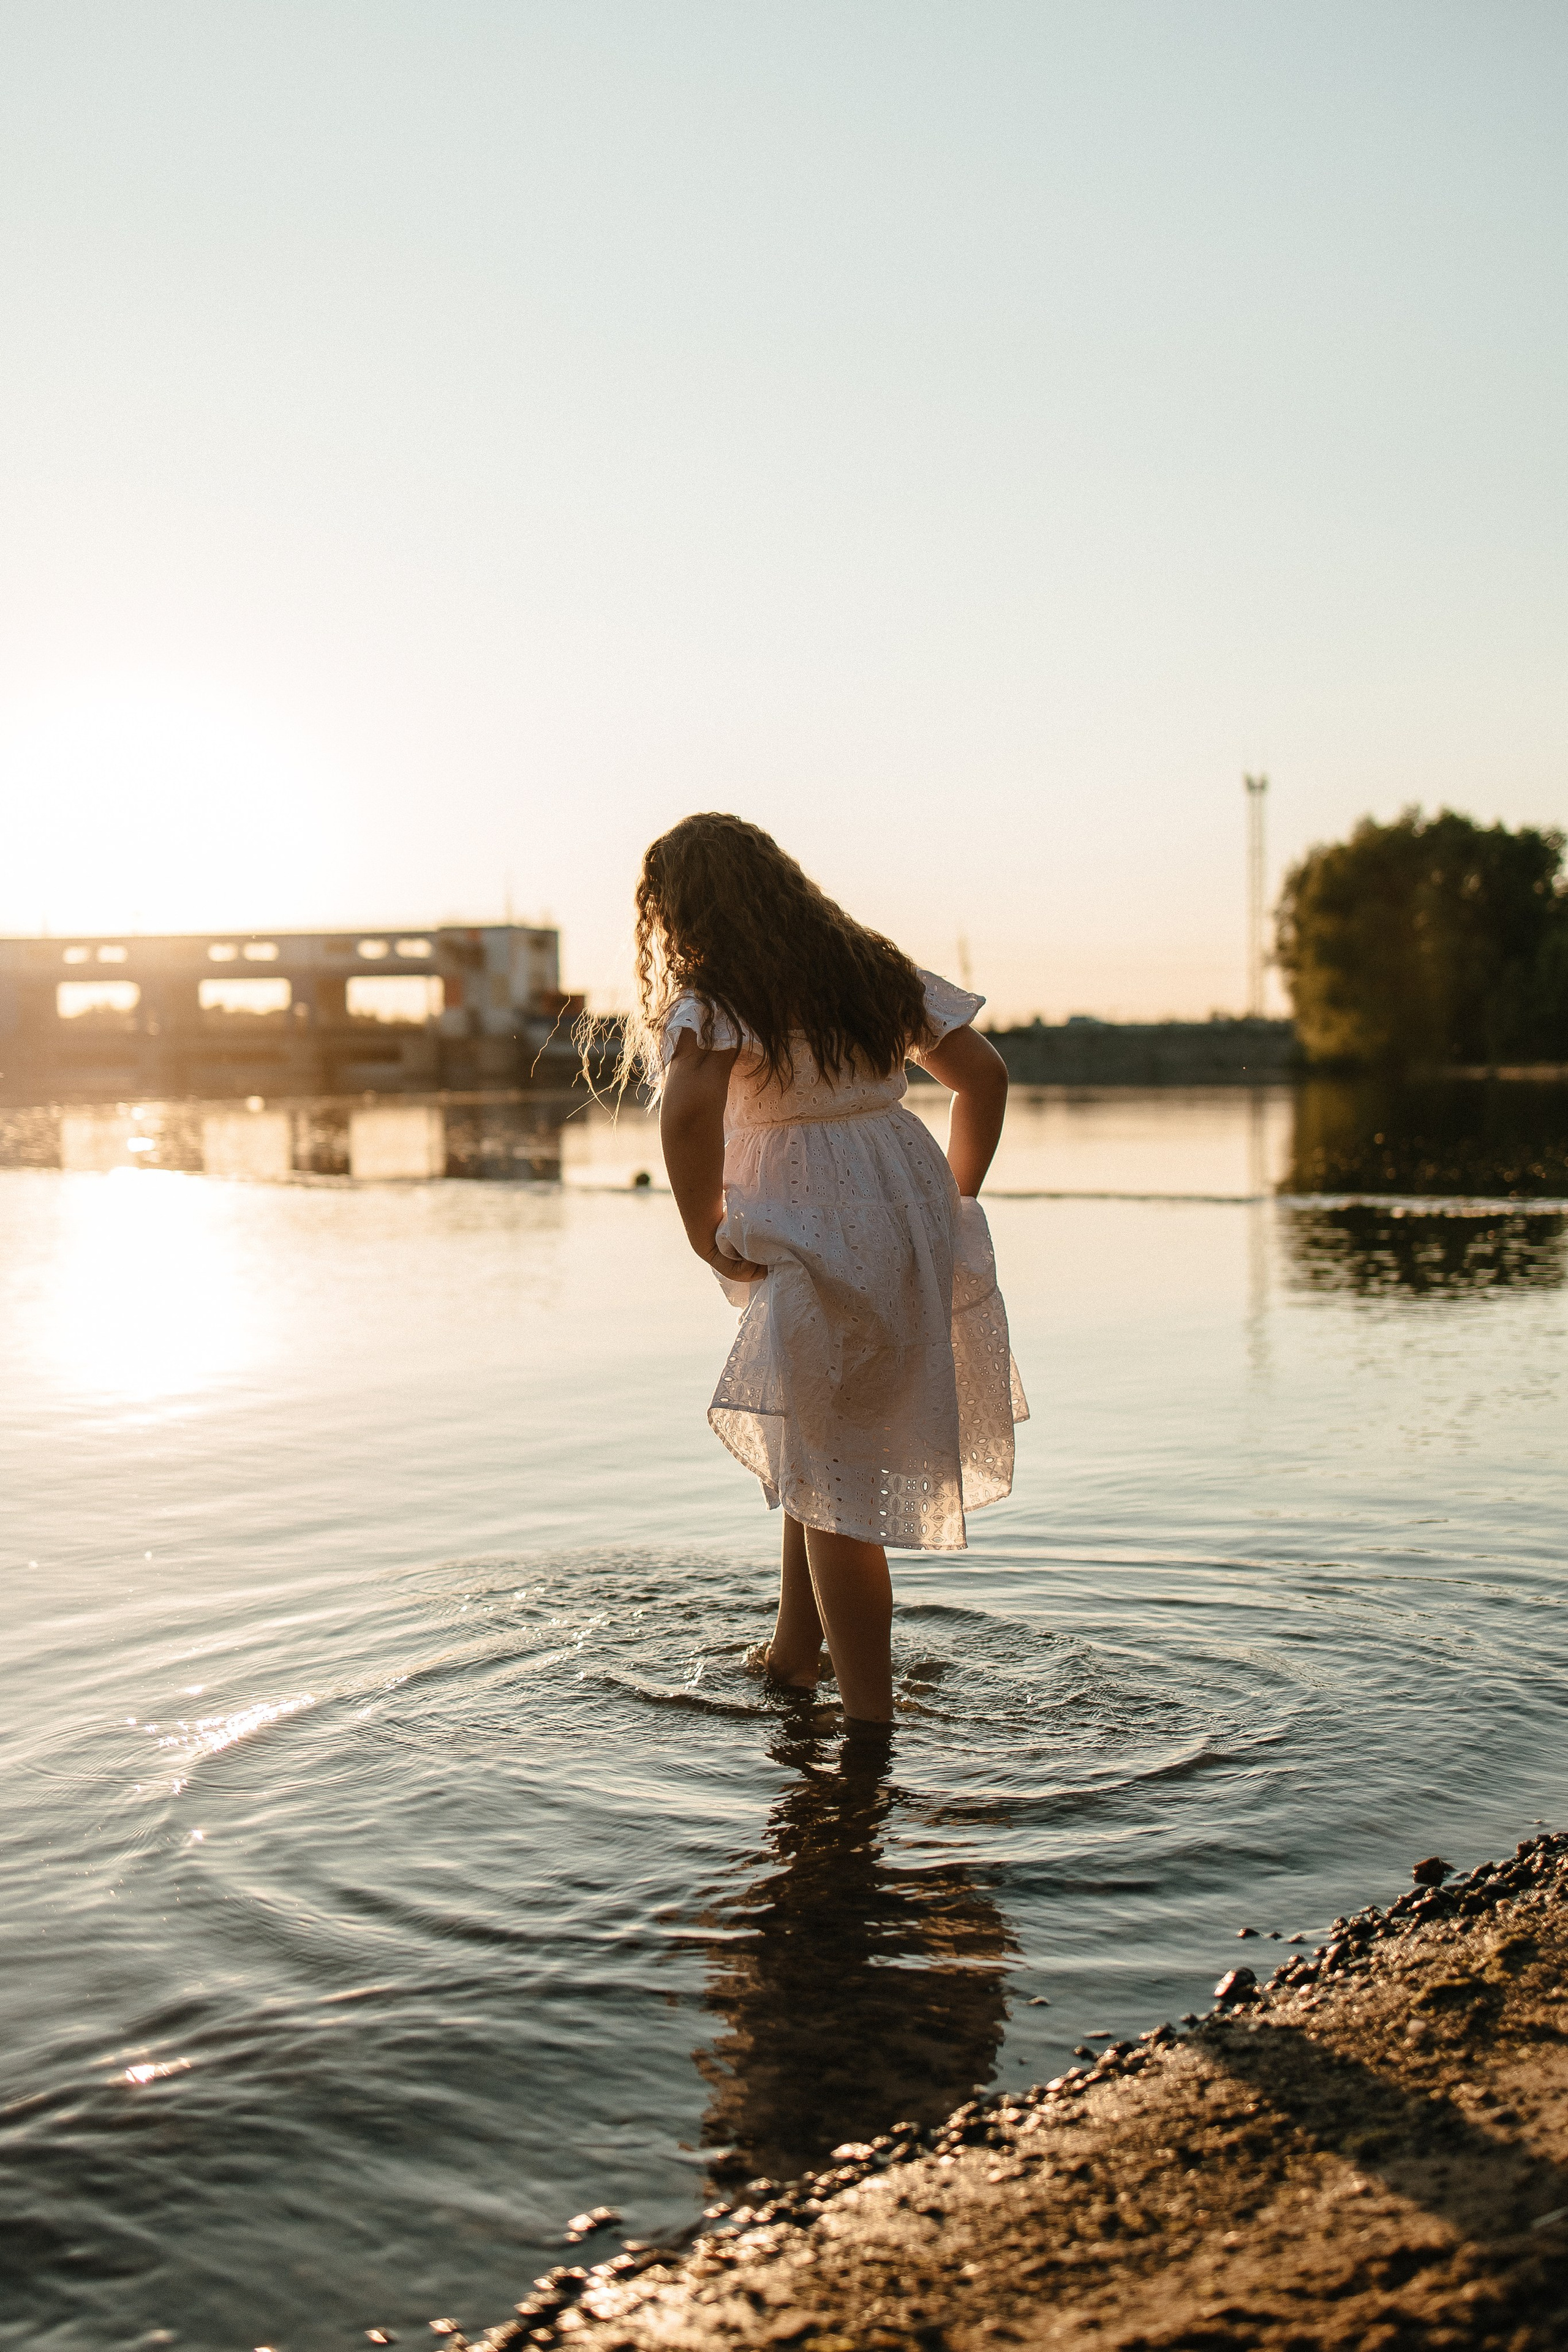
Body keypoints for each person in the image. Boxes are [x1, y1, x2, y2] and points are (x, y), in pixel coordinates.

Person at [623, 813, 1027, 1725]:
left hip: (811, 1226)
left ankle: (870, 1720)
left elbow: (687, 1118)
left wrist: (703, 1226)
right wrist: (952, 1203)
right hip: (906, 1208)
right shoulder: (871, 972)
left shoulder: (722, 994)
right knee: (822, 1438)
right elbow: (983, 1077)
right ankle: (795, 1654)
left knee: (836, 1469)